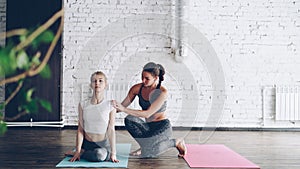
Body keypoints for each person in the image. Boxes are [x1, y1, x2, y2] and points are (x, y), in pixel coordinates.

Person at [112, 62, 187, 158]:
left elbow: (147, 114)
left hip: (162, 128)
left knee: (149, 154)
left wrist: (124, 109)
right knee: (129, 119)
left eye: (147, 79)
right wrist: (108, 107)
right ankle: (145, 146)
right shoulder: (137, 88)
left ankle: (176, 142)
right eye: (142, 77)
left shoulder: (162, 92)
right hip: (147, 126)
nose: (143, 80)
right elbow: (121, 107)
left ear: (155, 78)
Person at [65, 71, 119, 163]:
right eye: (94, 81)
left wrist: (113, 153)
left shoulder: (110, 105)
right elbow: (80, 129)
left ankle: (83, 153)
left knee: (100, 156)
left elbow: (111, 130)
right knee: (96, 155)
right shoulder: (83, 104)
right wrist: (78, 150)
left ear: (106, 84)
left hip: (102, 145)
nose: (97, 83)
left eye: (100, 81)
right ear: (91, 85)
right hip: (86, 143)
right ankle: (80, 151)